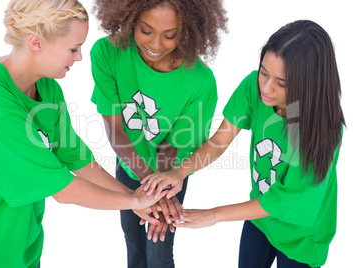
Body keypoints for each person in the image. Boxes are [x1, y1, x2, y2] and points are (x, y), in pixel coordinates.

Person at [0, 1, 167, 267]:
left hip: (23, 249)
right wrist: (133, 200)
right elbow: (64, 190)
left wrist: (133, 199)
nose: (79, 57)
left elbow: (77, 159)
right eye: (73, 48)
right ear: (36, 43)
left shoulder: (47, 88)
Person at [142, 20, 345, 267]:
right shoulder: (253, 87)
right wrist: (179, 172)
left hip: (301, 237)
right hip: (260, 219)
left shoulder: (318, 129)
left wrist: (213, 215)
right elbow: (219, 141)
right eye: (264, 72)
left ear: (309, 84)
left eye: (282, 83)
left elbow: (283, 201)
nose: (266, 88)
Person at [90, 0, 228, 267]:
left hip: (170, 176)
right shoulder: (107, 53)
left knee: (159, 250)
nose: (155, 45)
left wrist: (160, 191)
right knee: (133, 240)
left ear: (187, 30)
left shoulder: (199, 82)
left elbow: (172, 147)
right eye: (145, 30)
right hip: (130, 166)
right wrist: (144, 182)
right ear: (130, 19)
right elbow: (116, 128)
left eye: (170, 35)